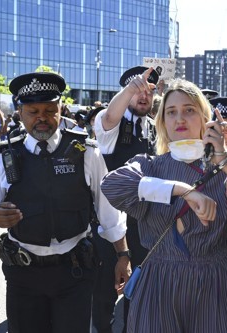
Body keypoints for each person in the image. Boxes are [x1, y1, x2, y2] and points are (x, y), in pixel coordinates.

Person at [100, 77, 227, 333]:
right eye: (171, 112)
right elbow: (111, 185)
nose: (179, 118)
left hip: (215, 281)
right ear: (162, 121)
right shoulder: (149, 165)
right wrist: (183, 191)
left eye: (189, 110)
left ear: (206, 119)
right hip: (160, 281)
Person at [0, 72, 128, 333]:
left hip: (74, 272)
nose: (41, 117)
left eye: (49, 110)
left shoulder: (85, 152)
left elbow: (109, 212)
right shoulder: (4, 157)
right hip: (24, 276)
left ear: (61, 109)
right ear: (20, 112)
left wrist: (123, 255)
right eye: (33, 111)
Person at [92, 65, 159, 333]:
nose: (144, 96)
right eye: (137, 90)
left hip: (144, 225)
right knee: (105, 294)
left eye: (150, 91)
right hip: (109, 225)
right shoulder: (111, 124)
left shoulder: (155, 128)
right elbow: (109, 116)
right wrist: (130, 88)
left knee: (138, 292)